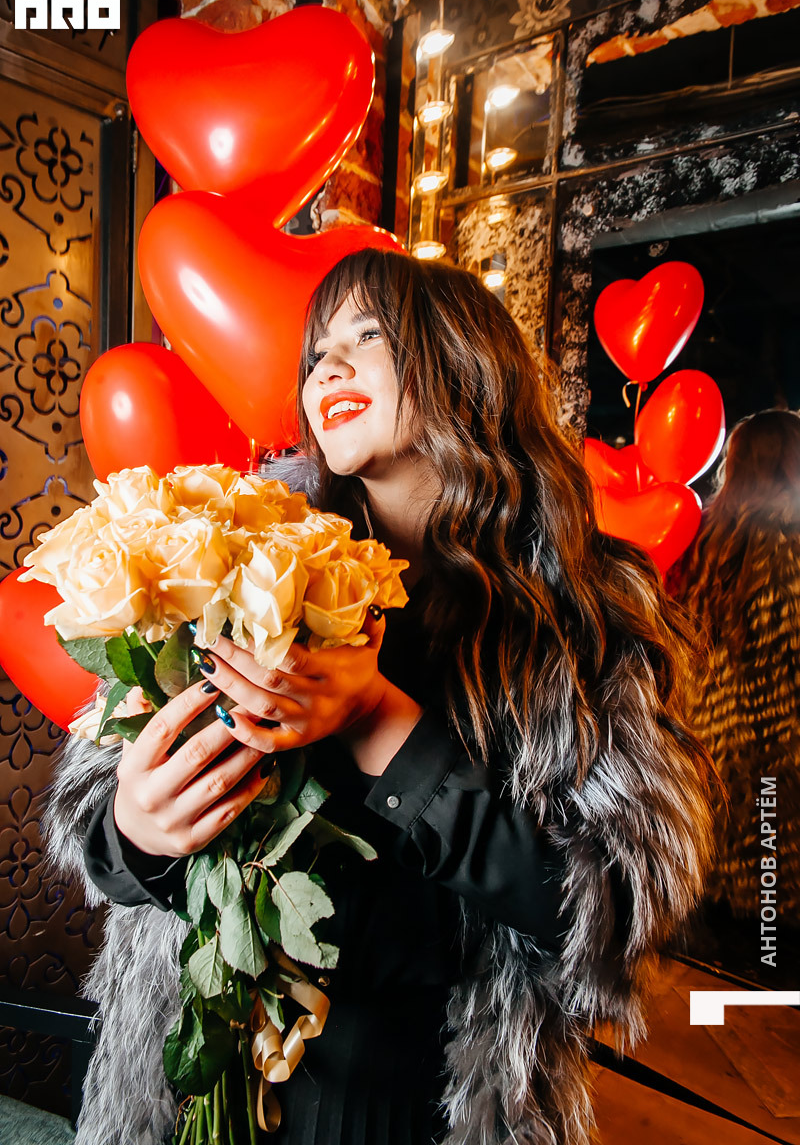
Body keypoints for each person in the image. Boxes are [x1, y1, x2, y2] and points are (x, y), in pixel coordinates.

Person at [46, 248, 717, 1145]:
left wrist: (380, 723)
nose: (329, 365)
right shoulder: (226, 554)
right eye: (317, 352)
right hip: (194, 1096)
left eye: (368, 336)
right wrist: (137, 828)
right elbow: (100, 840)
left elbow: (613, 913)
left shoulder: (583, 615)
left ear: (465, 362)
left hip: (425, 1109)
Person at [672, 409, 800, 933]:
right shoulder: (789, 544)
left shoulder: (702, 535)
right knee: (776, 877)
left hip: (713, 739)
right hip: (780, 745)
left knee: (729, 873)